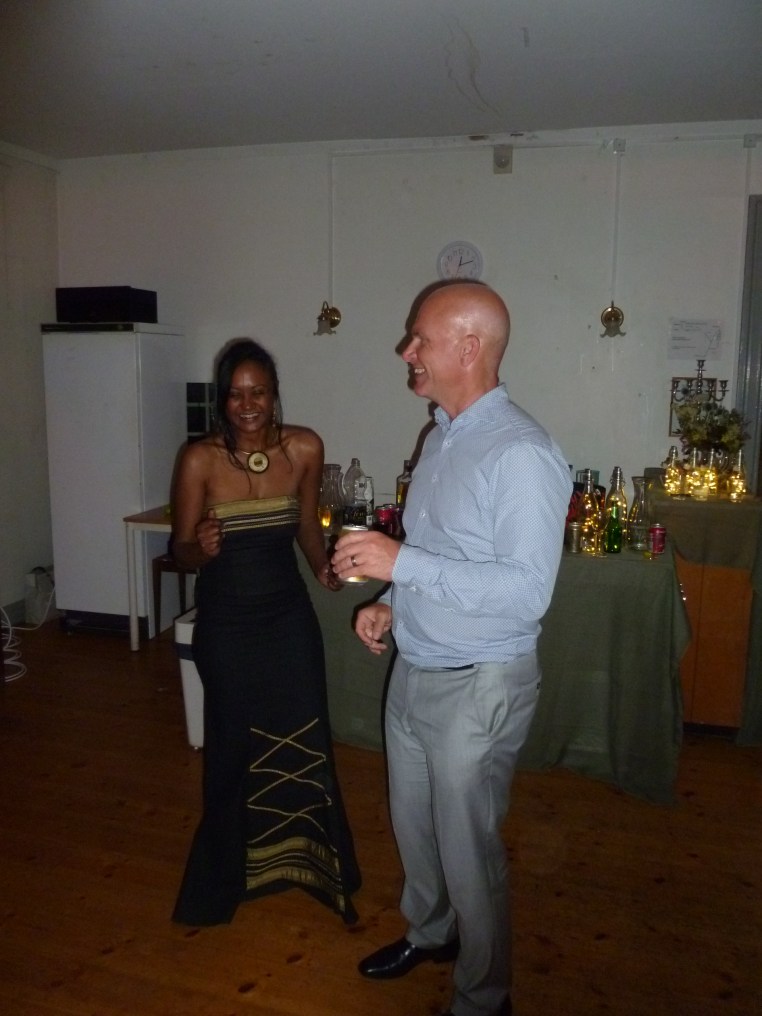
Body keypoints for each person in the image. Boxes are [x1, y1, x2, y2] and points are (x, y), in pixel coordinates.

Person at [332, 283, 572, 1016]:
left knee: (470, 851)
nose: (406, 351)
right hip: (415, 667)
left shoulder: (522, 453)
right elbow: (442, 553)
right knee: (415, 828)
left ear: (468, 349)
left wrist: (400, 564)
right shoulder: (439, 438)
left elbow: (526, 592)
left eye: (420, 339)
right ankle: (431, 933)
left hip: (479, 683)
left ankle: (483, 996)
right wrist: (392, 602)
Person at [172, 338, 360, 927]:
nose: (248, 404)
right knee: (232, 746)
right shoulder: (199, 460)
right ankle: (228, 876)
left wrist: (323, 566)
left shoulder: (304, 448)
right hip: (226, 624)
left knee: (306, 734)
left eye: (258, 392)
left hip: (287, 618)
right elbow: (180, 550)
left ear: (274, 395)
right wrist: (199, 548)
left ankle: (313, 864)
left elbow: (306, 524)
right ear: (222, 401)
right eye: (236, 394)